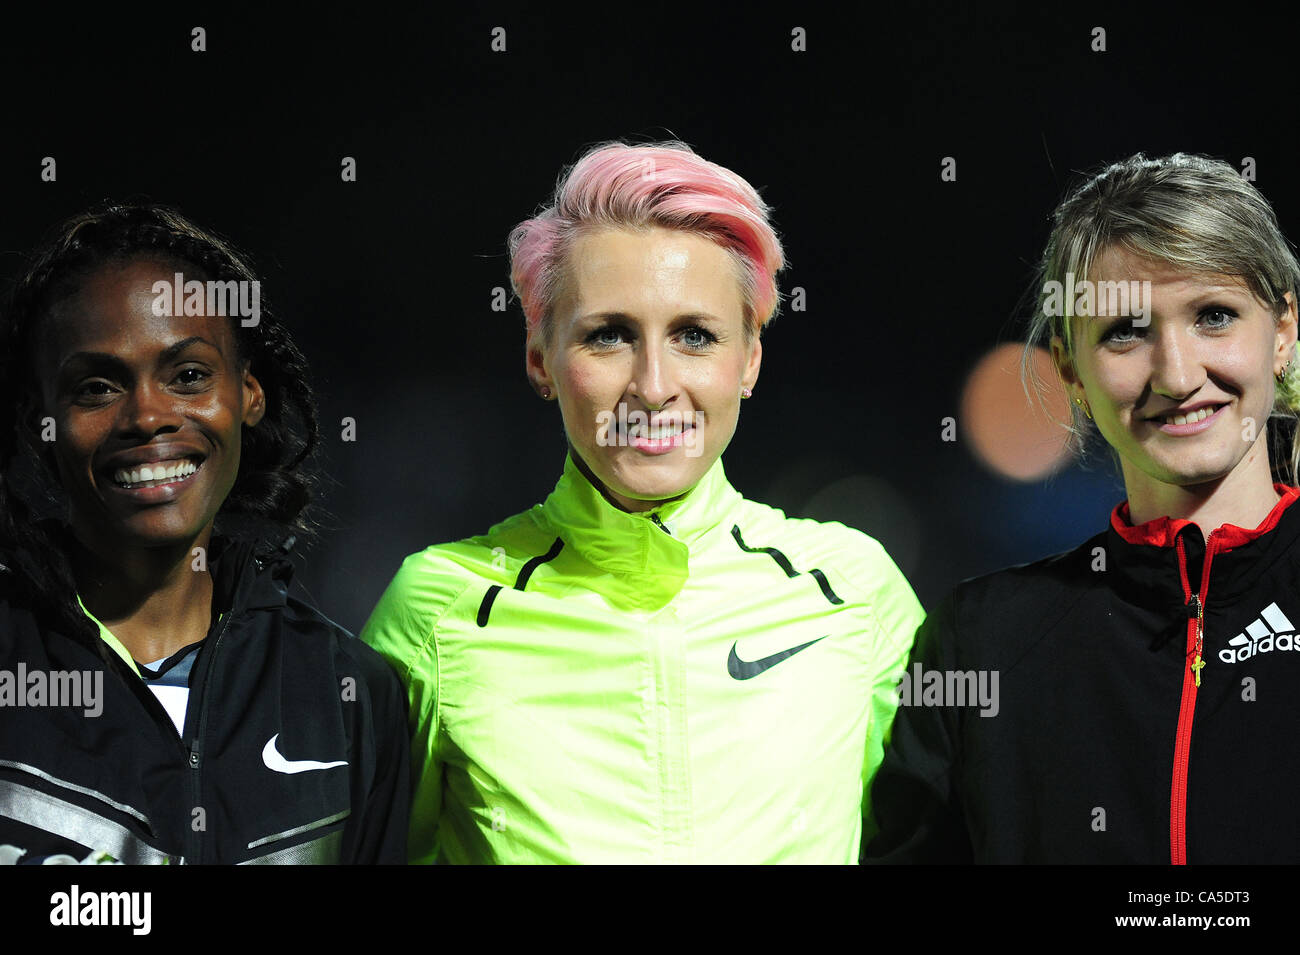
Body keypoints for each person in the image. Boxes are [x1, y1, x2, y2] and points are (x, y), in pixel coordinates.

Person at [362, 140, 924, 863]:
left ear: (749, 358)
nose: (654, 385)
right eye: (609, 335)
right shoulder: (437, 608)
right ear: (541, 359)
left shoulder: (856, 589)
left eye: (695, 335)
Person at [865, 152, 1300, 864]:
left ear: (1282, 330)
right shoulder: (981, 641)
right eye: (1126, 330)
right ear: (1069, 364)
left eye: (1214, 316)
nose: (1179, 375)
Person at [0, 202, 409, 864]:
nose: (149, 416)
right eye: (97, 387)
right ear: (37, 422)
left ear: (248, 394)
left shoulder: (349, 695)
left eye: (187, 375)